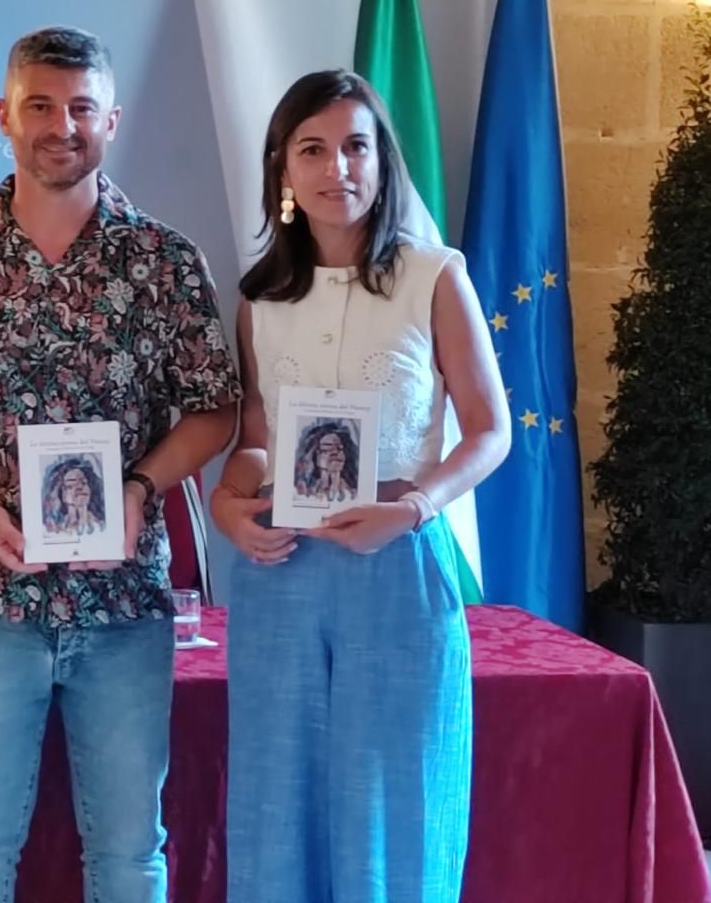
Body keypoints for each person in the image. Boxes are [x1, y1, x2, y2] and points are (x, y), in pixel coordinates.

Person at [0, 26, 240, 903]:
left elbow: (216, 409)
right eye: (40, 104)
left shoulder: (165, 263)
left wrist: (136, 487)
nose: (61, 124)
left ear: (111, 120)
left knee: (129, 852)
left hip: (123, 604)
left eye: (81, 107)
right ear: (3, 115)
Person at [210, 70, 511, 903]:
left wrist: (410, 509)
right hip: (281, 574)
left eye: (355, 146)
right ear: (283, 171)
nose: (335, 167)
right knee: (279, 800)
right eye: (313, 149)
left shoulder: (434, 275)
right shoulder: (260, 302)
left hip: (400, 566)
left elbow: (491, 431)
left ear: (382, 164)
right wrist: (228, 504)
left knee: (395, 800)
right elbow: (260, 442)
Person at [293, 419, 357, 503]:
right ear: (315, 453)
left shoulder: (352, 493)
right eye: (328, 447)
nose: (335, 452)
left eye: (339, 448)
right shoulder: (303, 492)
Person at [42, 457, 106, 537]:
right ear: (62, 494)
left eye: (84, 482)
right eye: (71, 484)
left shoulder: (102, 526)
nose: (79, 487)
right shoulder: (54, 530)